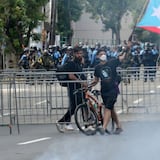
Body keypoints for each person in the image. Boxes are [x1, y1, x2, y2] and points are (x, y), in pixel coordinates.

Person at [90, 49, 126, 135]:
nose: (103, 55)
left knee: (108, 108)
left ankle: (104, 127)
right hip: (104, 91)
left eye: (104, 53)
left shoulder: (112, 62)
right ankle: (119, 126)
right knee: (111, 108)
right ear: (98, 56)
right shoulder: (97, 68)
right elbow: (96, 80)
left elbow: (121, 58)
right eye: (101, 54)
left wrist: (126, 49)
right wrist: (89, 86)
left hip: (113, 89)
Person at [56, 46, 88, 132]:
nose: (79, 55)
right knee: (74, 107)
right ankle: (61, 122)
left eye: (81, 53)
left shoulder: (79, 63)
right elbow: (71, 76)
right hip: (73, 88)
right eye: (78, 53)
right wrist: (82, 82)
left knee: (83, 104)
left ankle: (86, 123)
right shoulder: (71, 63)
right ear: (74, 54)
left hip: (80, 88)